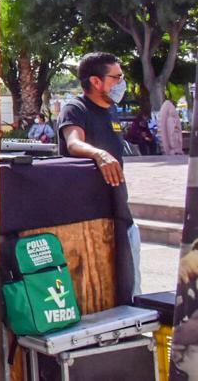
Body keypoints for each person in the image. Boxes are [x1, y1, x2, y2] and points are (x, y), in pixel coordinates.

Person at [57, 52, 141, 294]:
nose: (121, 83)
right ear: (95, 81)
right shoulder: (75, 109)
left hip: (119, 210)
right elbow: (74, 143)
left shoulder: (111, 111)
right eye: (116, 77)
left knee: (130, 282)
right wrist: (99, 154)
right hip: (87, 216)